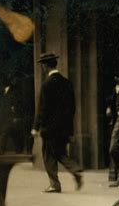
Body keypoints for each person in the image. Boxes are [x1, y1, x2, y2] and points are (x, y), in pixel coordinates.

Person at [32, 53, 82, 193]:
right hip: (64, 128)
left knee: (49, 155)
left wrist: (36, 127)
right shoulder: (67, 83)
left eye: (42, 65)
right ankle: (74, 170)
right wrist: (70, 129)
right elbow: (72, 108)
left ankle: (56, 184)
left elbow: (42, 108)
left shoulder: (47, 85)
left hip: (50, 128)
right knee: (59, 152)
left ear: (45, 66)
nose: (42, 68)